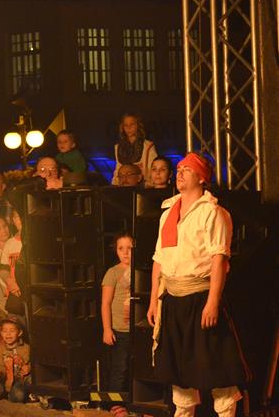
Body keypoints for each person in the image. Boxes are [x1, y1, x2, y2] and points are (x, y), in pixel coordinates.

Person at [146, 152, 247, 417]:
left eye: (187, 169)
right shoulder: (168, 212)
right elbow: (159, 260)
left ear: (202, 177)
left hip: (199, 297)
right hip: (172, 298)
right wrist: (154, 301)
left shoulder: (212, 212)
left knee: (215, 367)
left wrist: (212, 302)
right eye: (178, 169)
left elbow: (219, 260)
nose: (179, 173)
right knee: (178, 370)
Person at [101, 232, 133, 391]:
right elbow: (105, 303)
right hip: (120, 330)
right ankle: (115, 403)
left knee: (137, 367)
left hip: (138, 329)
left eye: (129, 248)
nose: (126, 252)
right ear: (116, 251)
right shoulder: (112, 272)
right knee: (120, 367)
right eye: (121, 248)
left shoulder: (142, 271)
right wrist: (107, 329)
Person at [0, 315, 31, 403]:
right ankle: (16, 397)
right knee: (18, 395)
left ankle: (34, 396)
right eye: (5, 331)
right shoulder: (0, 351)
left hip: (24, 379)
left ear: (19, 333)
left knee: (33, 380)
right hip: (11, 383)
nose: (8, 334)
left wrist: (29, 367)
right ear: (1, 333)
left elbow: (35, 363)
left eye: (12, 330)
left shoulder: (26, 348)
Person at [112, 113, 157, 186]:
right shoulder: (118, 147)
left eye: (132, 124)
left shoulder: (148, 146)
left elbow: (151, 168)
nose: (128, 128)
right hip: (123, 186)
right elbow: (118, 168)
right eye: (125, 125)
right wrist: (115, 184)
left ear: (138, 126)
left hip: (143, 186)